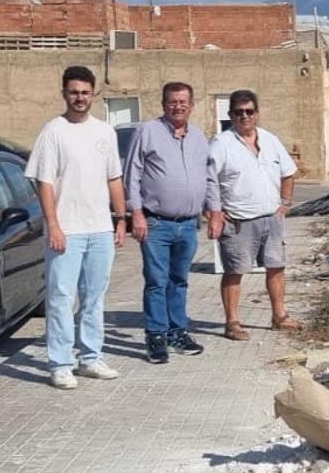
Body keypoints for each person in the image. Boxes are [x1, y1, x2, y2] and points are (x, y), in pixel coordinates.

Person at [25, 65, 127, 389]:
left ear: (93, 94)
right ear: (64, 94)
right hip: (66, 230)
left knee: (94, 297)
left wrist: (120, 218)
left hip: (99, 228)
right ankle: (60, 364)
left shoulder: (105, 132)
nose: (79, 98)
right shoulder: (53, 131)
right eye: (74, 92)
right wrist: (53, 225)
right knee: (61, 297)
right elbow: (44, 183)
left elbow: (114, 178)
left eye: (85, 92)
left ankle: (91, 359)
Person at [205, 89, 300, 341]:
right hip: (238, 221)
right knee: (234, 270)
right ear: (230, 115)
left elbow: (289, 172)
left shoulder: (270, 140)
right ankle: (232, 322)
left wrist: (285, 203)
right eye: (239, 112)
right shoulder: (221, 144)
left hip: (271, 218)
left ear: (257, 113)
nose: (244, 116)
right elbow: (206, 180)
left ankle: (279, 316)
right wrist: (214, 211)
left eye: (249, 111)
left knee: (276, 267)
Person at [124, 82, 207, 364]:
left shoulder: (199, 137)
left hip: (188, 224)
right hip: (156, 223)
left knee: (179, 280)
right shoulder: (147, 131)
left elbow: (208, 177)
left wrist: (215, 210)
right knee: (157, 282)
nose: (178, 106)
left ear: (191, 105)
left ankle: (177, 333)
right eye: (172, 101)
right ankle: (156, 336)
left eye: (183, 102)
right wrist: (136, 213)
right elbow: (132, 175)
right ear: (163, 104)